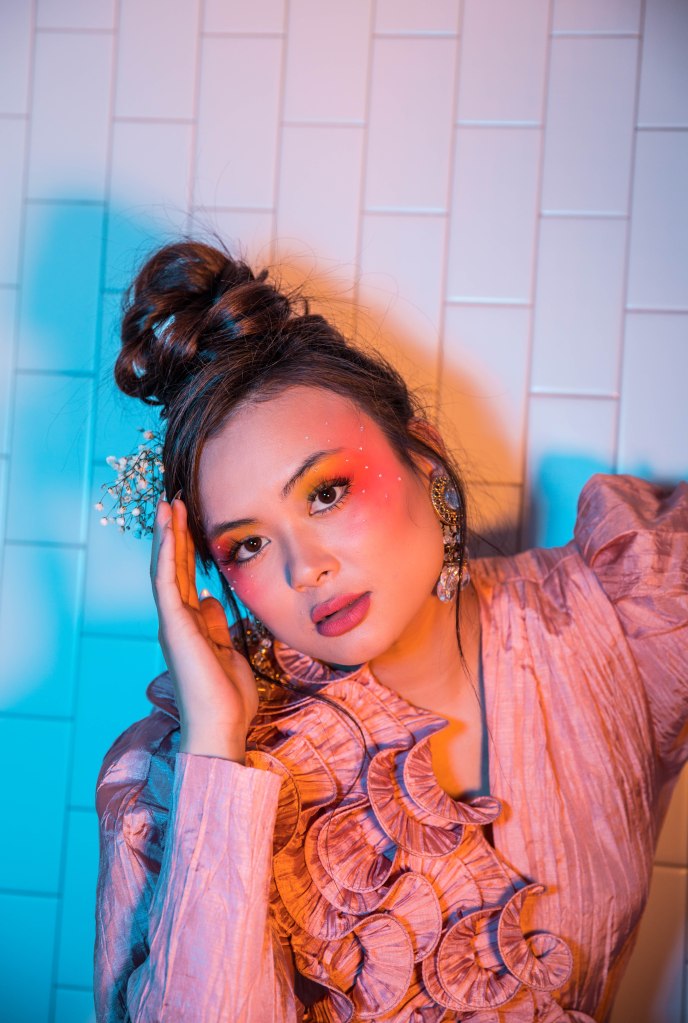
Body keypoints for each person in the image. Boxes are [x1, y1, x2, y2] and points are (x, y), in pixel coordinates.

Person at [94, 240, 687, 1023]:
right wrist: (216, 751)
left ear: (426, 460)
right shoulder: (174, 784)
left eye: (326, 492)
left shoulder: (616, 615)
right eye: (248, 543)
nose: (305, 568)